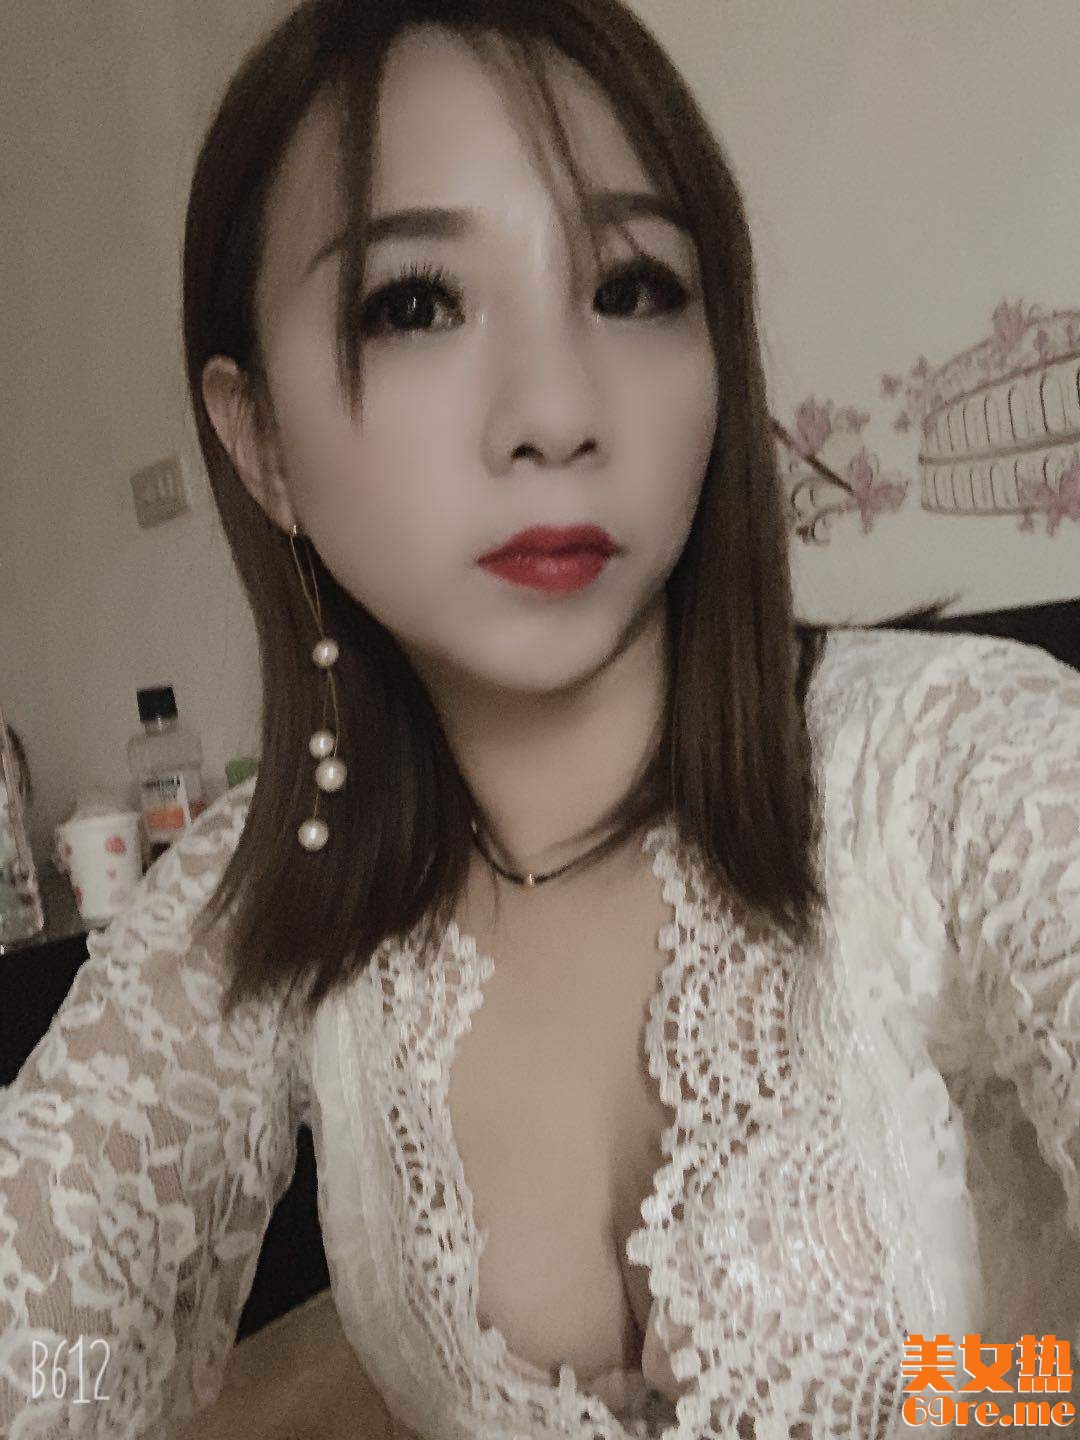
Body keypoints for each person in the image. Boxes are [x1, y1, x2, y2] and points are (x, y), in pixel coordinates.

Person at [2, 0, 1079, 1436]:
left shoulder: (965, 768)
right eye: (416, 304)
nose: (558, 410)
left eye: (632, 287)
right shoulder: (256, 896)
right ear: (260, 444)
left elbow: (1060, 1374)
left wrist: (941, 1392)